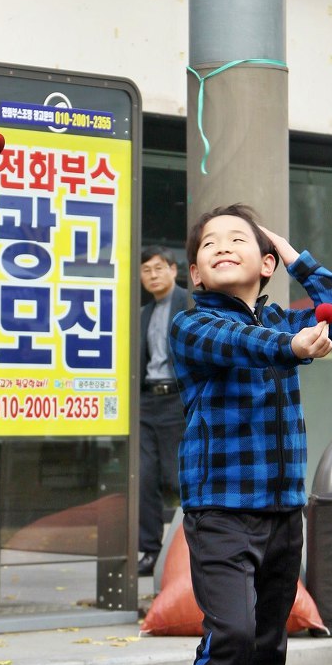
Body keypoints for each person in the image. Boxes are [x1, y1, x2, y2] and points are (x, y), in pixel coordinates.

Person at [169, 205, 332, 665]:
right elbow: (240, 344)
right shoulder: (193, 324)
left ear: (266, 262)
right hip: (220, 511)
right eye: (210, 244)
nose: (223, 247)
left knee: (267, 652)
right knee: (231, 636)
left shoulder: (282, 318)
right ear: (196, 272)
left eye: (239, 240)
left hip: (282, 511)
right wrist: (292, 346)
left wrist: (298, 256)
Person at [137, 248, 190, 578]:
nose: (153, 275)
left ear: (173, 270)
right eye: (146, 270)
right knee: (143, 478)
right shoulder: (143, 312)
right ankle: (149, 551)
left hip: (176, 399)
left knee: (177, 475)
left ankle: (193, 546)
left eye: (159, 268)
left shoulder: (188, 303)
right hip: (146, 401)